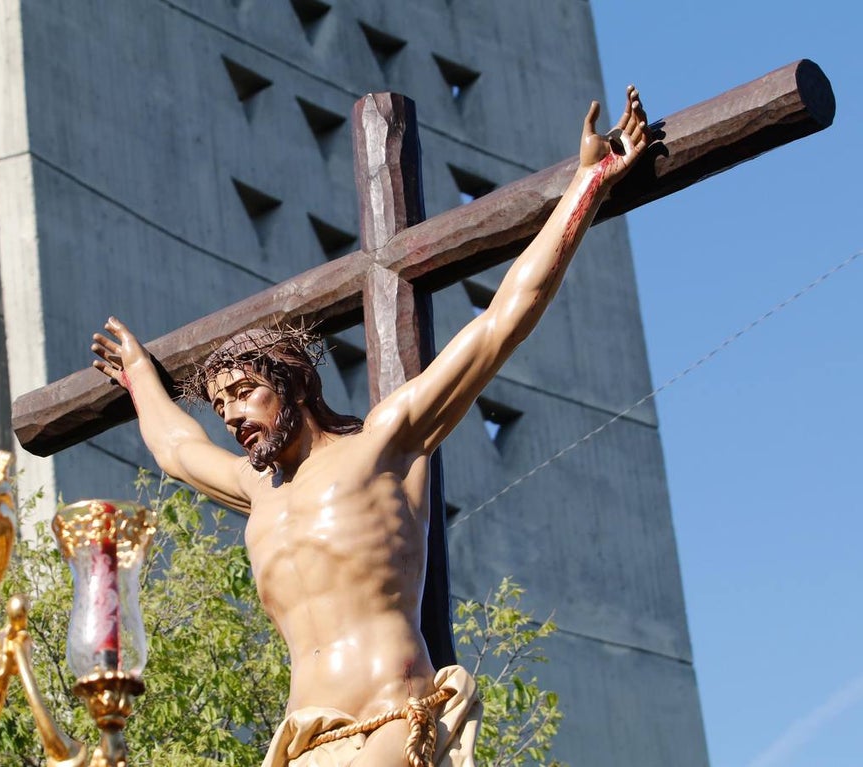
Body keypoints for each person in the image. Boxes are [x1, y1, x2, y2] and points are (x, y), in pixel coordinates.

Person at [91, 86, 649, 767]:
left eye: (244, 393)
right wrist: (140, 376)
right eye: (221, 405)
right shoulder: (255, 486)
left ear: (293, 383)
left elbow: (502, 320)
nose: (233, 414)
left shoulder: (384, 442)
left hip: (392, 722)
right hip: (305, 740)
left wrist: (587, 186)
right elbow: (176, 449)